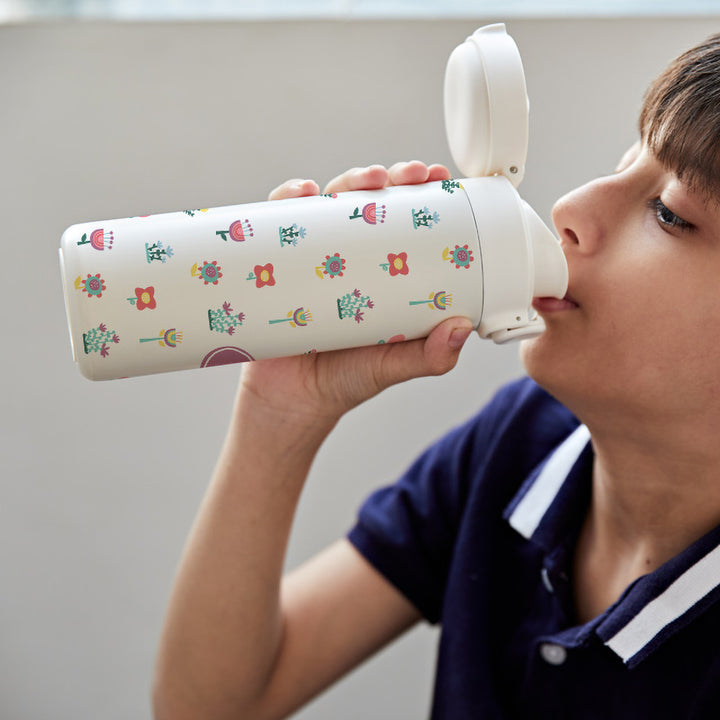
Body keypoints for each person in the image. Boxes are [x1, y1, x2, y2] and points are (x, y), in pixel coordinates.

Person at [153, 32, 720, 720]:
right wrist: (281, 411)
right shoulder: (520, 443)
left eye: (669, 213)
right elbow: (210, 705)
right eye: (625, 159)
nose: (571, 208)